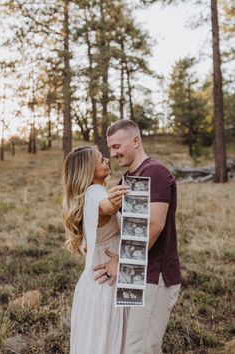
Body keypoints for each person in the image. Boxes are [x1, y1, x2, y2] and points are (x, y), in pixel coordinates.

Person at [93, 120, 181, 354]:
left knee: (140, 349)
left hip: (154, 276)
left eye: (117, 146)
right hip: (133, 276)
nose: (112, 153)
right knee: (132, 346)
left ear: (135, 141)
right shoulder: (128, 179)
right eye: (110, 148)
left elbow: (154, 225)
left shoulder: (155, 172)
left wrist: (120, 259)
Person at [62, 146, 129, 354]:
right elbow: (106, 207)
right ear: (89, 170)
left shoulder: (88, 193)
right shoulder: (95, 192)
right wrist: (115, 202)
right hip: (106, 283)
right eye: (101, 160)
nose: (107, 160)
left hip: (95, 280)